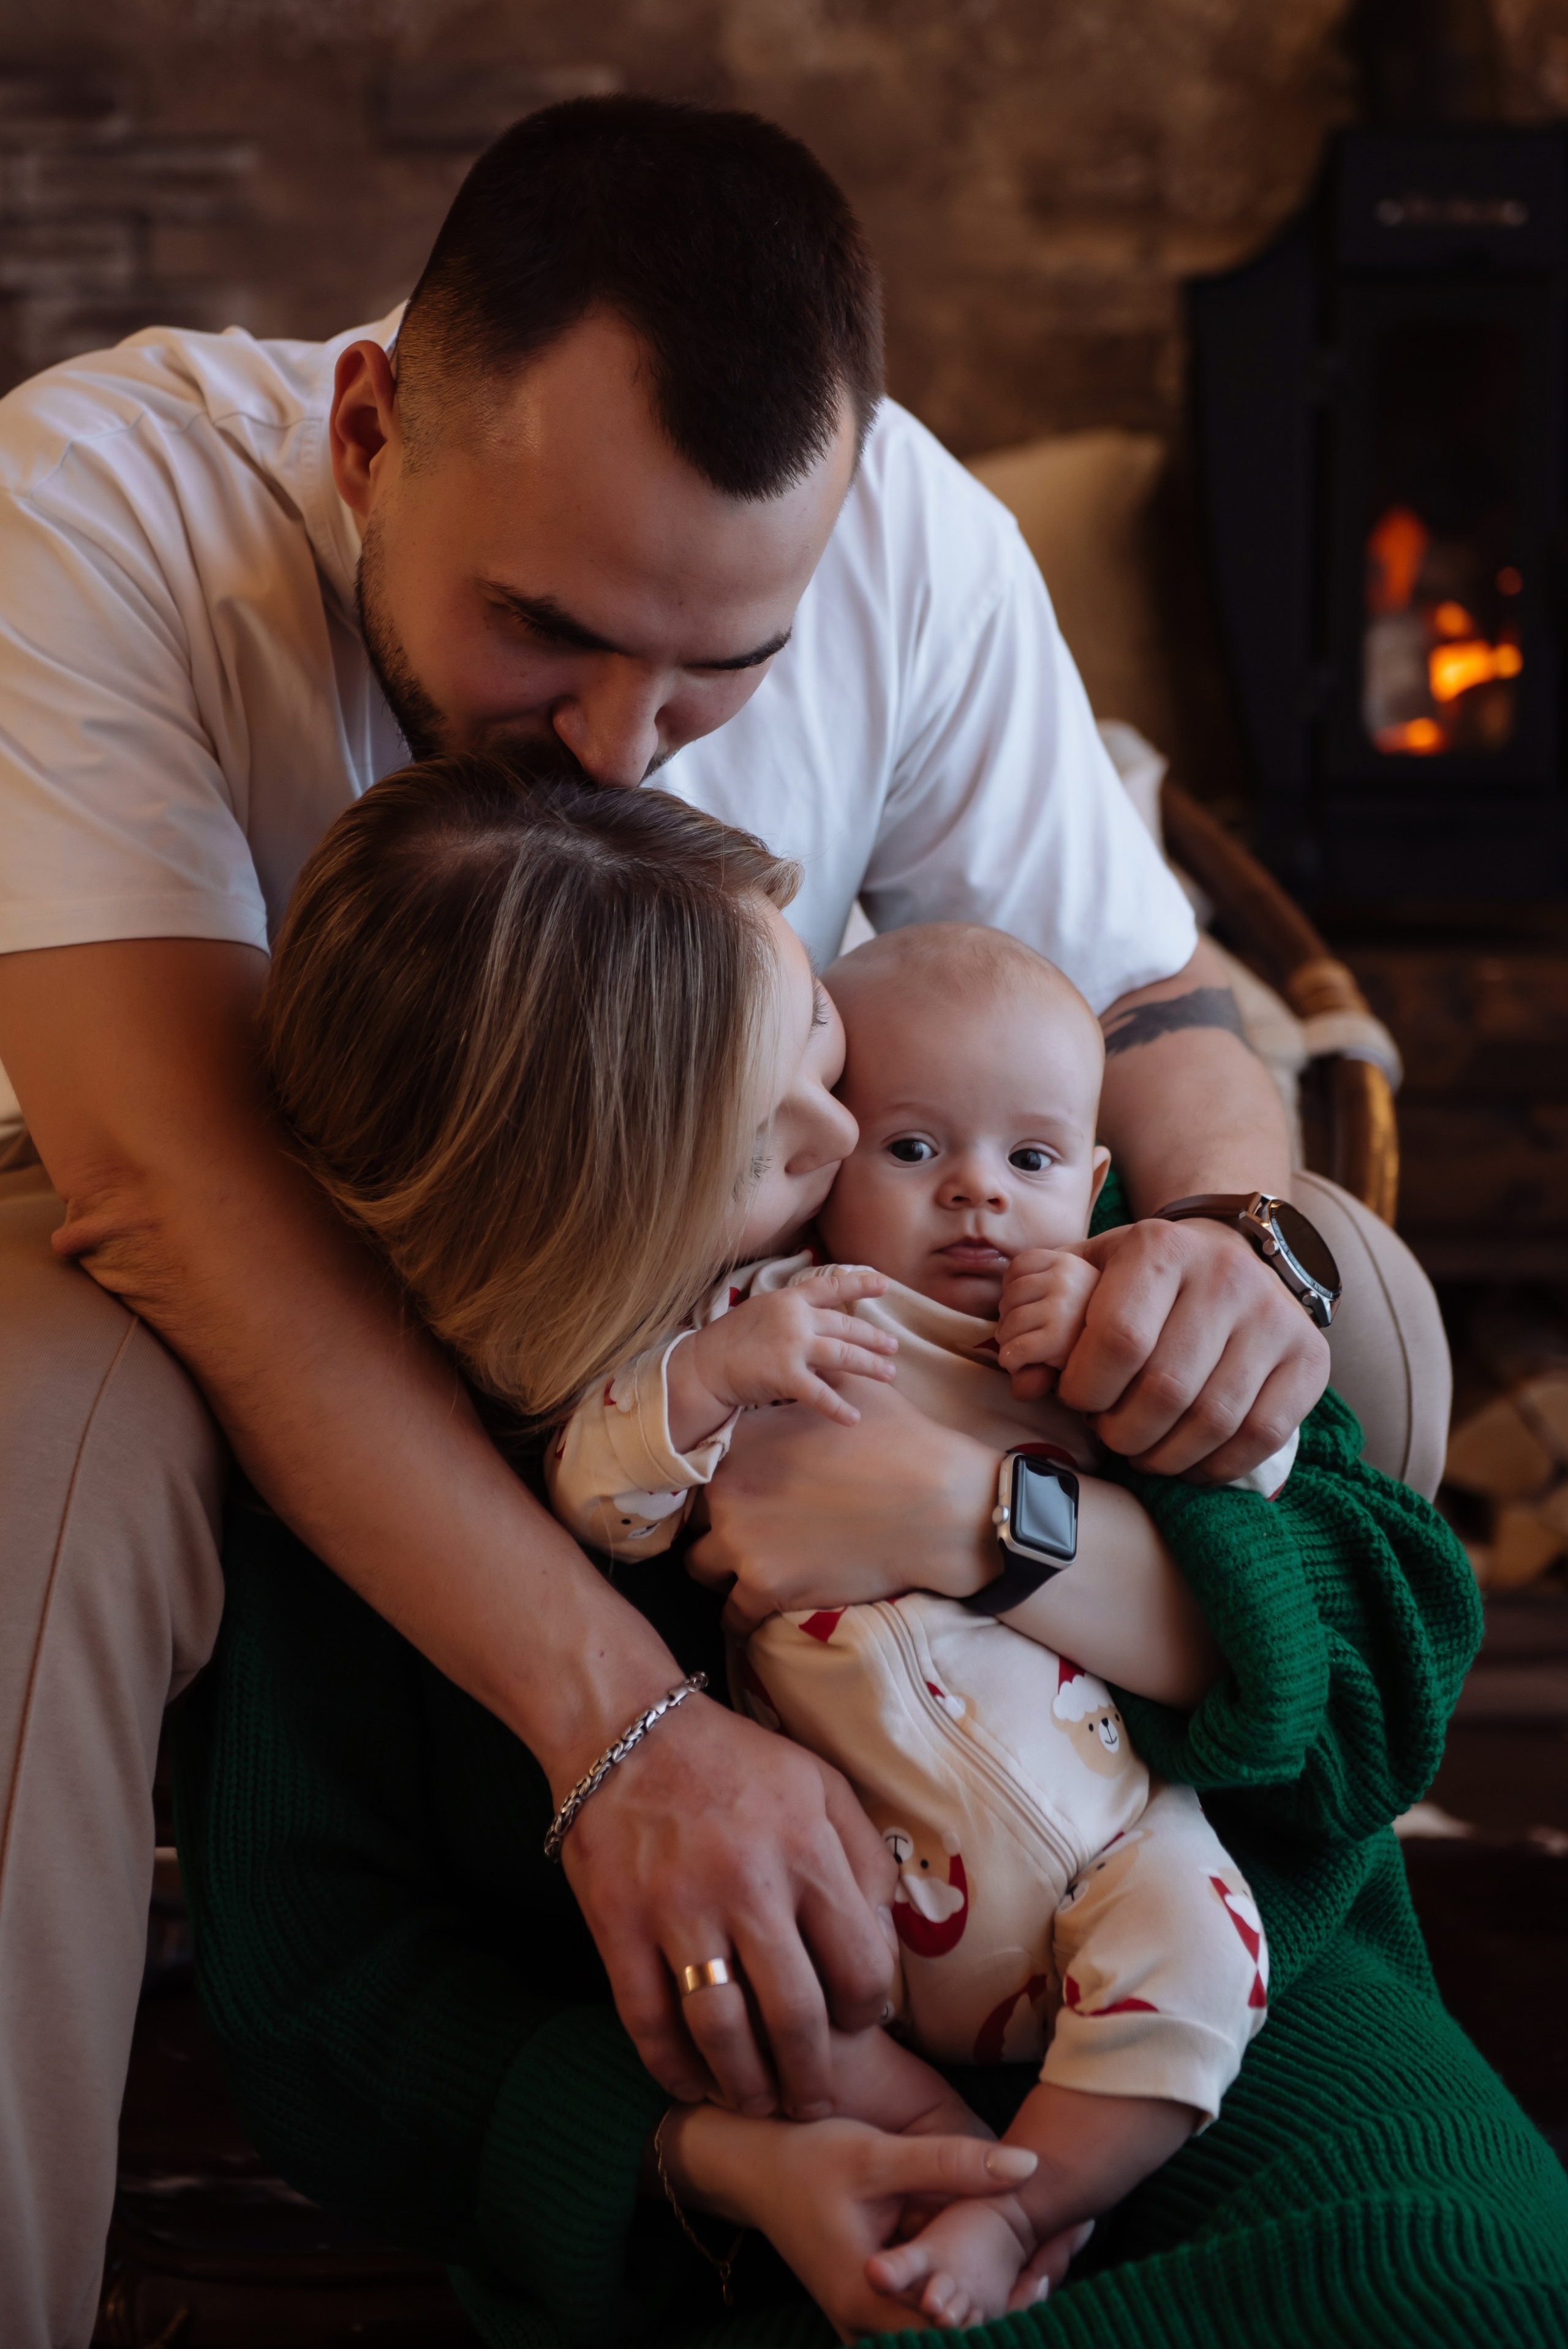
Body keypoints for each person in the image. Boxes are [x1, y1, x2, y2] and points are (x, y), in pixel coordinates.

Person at [0, 96, 1447, 2346]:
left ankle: (1251, 1975)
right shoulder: (98, 504)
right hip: (161, 1227)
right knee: (40, 1444)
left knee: (1348, 1323)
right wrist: (620, 1737)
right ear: (371, 433)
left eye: (719, 675)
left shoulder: (914, 556)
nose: (621, 745)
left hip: (787, 1349)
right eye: (545, 631)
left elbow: (1151, 988)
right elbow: (172, 1187)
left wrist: (1230, 1246)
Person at [173, 758, 1567, 2345]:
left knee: (1461, 2292)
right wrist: (725, 2163)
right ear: (606, 1207)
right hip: (798, 2175)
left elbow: (1391, 1676)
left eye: (825, 1050)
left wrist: (1002, 1526)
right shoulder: (386, 1484)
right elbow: (327, 2005)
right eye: (778, 1138)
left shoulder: (1034, 1258)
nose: (861, 1141)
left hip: (1246, 2007)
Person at [549, 919, 1287, 2329]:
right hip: (858, 1875)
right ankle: (931, 2155)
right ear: (822, 1156)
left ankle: (1023, 2198)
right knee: (765, 1996)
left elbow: (1254, 1468)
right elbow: (600, 1496)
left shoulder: (1097, 1340)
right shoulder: (776, 1315)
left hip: (1114, 1843)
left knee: (1204, 1957)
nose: (973, 1199)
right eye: (910, 1149)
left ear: (1094, 1180)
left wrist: (1120, 1339)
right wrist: (709, 1376)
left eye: (1028, 1161)